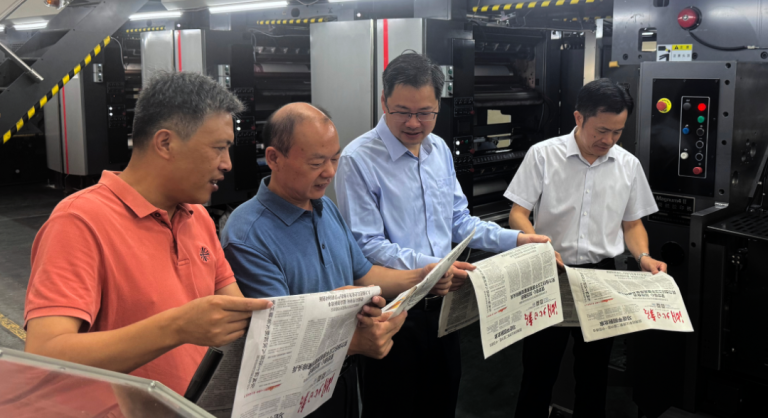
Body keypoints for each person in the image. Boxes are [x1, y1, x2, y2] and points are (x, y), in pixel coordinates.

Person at [334, 52, 554, 418]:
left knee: (441, 401)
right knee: (392, 408)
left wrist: (515, 240)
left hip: (444, 309)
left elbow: (460, 222)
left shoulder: (439, 151)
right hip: (392, 310)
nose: (414, 123)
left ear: (439, 105)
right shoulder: (359, 159)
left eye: (426, 112)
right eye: (402, 111)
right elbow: (367, 245)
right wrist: (434, 269)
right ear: (383, 101)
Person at [23, 72, 273, 395]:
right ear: (165, 143)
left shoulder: (196, 216)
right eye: (218, 148)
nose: (227, 163)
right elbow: (45, 357)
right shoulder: (79, 222)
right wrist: (177, 327)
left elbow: (236, 312)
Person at [221, 102, 453, 418]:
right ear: (274, 158)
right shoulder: (249, 233)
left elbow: (364, 274)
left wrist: (424, 277)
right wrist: (355, 342)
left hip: (340, 378)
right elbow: (280, 340)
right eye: (317, 162)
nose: (330, 171)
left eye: (334, 158)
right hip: (291, 396)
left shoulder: (325, 208)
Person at [505, 78, 666, 418]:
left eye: (617, 132)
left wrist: (644, 256)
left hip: (600, 277)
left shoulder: (628, 166)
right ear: (579, 118)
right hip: (550, 270)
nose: (608, 141)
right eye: (601, 130)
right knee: (538, 371)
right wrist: (537, 246)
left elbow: (632, 223)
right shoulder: (543, 155)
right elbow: (517, 214)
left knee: (593, 374)